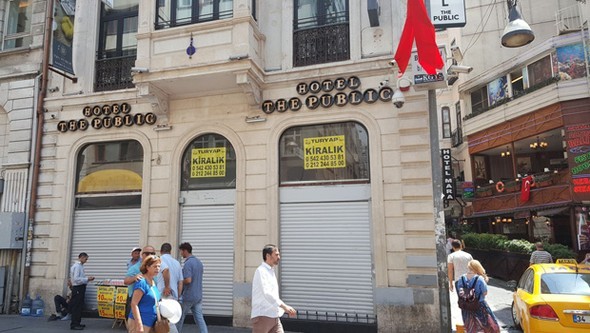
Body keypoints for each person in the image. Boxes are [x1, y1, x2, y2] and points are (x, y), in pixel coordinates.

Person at [251, 244, 296, 333]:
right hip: (263, 316)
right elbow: (267, 293)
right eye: (276, 255)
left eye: (279, 254)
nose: (279, 257)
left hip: (274, 316)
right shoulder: (261, 271)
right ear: (268, 256)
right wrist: (284, 306)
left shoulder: (270, 271)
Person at [455, 260, 500, 333]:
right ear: (478, 268)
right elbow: (485, 292)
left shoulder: (461, 278)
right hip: (479, 305)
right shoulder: (479, 279)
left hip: (466, 307)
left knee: (471, 328)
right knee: (490, 326)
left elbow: (460, 292)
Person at [177, 242, 208, 333]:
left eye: (181, 251)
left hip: (189, 295)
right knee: (199, 318)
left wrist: (180, 281)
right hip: (198, 295)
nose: (181, 254)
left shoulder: (188, 263)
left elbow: (188, 280)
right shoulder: (199, 262)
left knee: (180, 317)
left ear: (185, 251)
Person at [127, 255, 162, 333]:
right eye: (155, 266)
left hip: (150, 321)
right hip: (141, 322)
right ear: (147, 267)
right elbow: (134, 304)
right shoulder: (142, 282)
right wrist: (139, 326)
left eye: (159, 266)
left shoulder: (153, 281)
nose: (158, 269)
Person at [156, 243, 183, 333]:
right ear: (170, 251)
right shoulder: (177, 263)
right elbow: (180, 282)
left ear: (161, 251)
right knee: (170, 320)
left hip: (162, 295)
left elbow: (166, 270)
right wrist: (178, 295)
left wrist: (167, 287)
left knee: (163, 321)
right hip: (173, 295)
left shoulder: (159, 260)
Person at [124, 245, 156, 318]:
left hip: (151, 302)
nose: (150, 255)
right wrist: (134, 278)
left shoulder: (155, 268)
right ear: (142, 255)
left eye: (152, 254)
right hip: (138, 302)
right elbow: (126, 281)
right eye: (147, 253)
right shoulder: (134, 268)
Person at [447, 239, 473, 329]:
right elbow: (473, 267)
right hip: (470, 280)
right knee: (471, 301)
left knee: (463, 303)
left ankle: (466, 323)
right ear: (461, 246)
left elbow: (450, 271)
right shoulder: (468, 255)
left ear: (453, 247)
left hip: (459, 281)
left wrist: (450, 283)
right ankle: (472, 323)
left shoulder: (451, 256)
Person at [69, 252, 95, 330]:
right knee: (76, 306)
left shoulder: (80, 266)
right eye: (86, 259)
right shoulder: (77, 266)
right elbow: (76, 279)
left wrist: (86, 280)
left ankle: (77, 322)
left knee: (79, 306)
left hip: (80, 288)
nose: (86, 261)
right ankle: (74, 324)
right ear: (82, 257)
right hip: (78, 288)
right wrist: (87, 279)